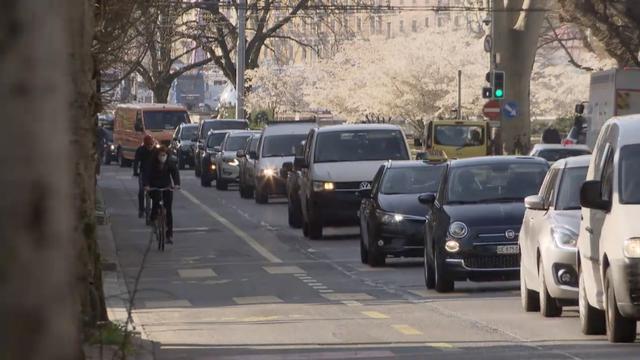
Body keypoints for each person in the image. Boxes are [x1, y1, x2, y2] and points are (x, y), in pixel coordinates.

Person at [143, 146, 180, 244]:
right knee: (156, 202)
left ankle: (169, 235)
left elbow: (175, 173)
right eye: (161, 155)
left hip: (166, 187)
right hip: (154, 187)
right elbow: (146, 174)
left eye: (164, 155)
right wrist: (146, 185)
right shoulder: (152, 163)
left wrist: (176, 184)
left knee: (168, 210)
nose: (162, 157)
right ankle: (153, 218)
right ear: (157, 155)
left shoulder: (169, 163)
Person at [133, 135, 155, 218]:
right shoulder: (140, 150)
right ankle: (141, 209)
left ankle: (156, 208)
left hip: (153, 173)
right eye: (148, 145)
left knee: (156, 190)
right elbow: (136, 161)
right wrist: (135, 172)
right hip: (143, 172)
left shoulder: (155, 151)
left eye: (151, 144)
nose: (150, 146)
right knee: (141, 191)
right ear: (145, 145)